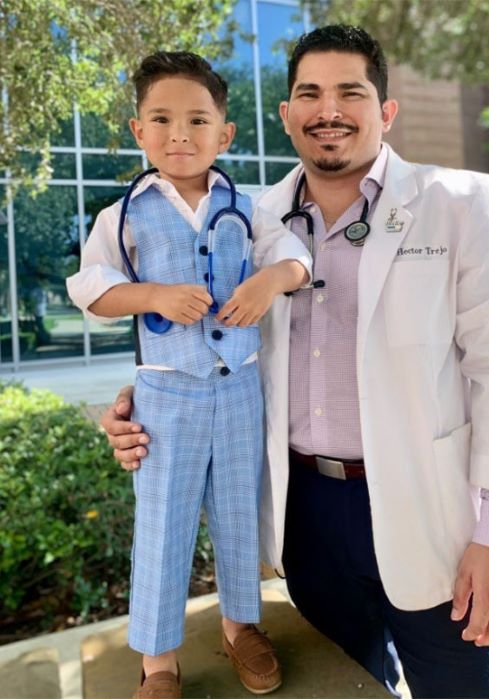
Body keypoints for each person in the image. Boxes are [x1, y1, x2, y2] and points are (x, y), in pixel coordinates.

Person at [101, 26, 489, 699]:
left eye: (351, 92)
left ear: (385, 111)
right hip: (306, 523)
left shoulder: (457, 206)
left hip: (438, 524)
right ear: (286, 115)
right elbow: (205, 339)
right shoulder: (248, 221)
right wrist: (145, 402)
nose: (328, 109)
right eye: (309, 93)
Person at [67, 51, 311, 699]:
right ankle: (159, 661)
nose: (181, 133)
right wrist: (152, 295)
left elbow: (293, 257)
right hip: (165, 394)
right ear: (138, 131)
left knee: (237, 511)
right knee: (164, 519)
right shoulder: (123, 215)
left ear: (224, 135)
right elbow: (92, 288)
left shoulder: (246, 205)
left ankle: (242, 627)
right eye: (163, 119)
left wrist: (268, 280)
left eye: (198, 120)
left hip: (238, 390)